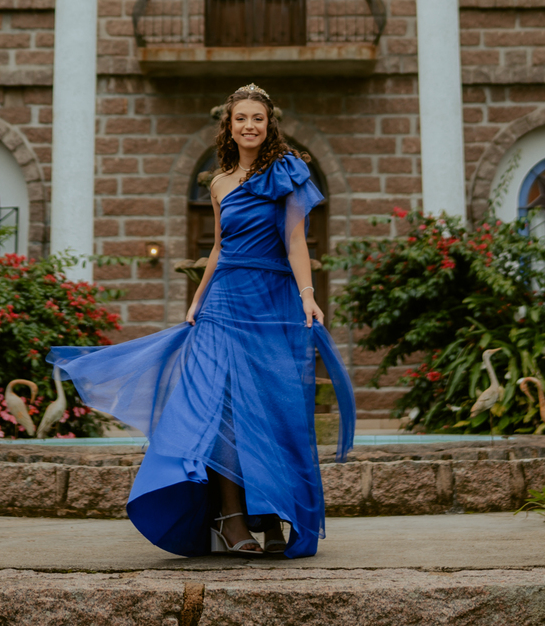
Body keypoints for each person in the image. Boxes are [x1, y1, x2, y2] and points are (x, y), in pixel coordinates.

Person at [48, 83, 355, 559]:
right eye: (241, 119)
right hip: (223, 303)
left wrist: (308, 297)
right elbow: (218, 247)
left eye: (258, 118)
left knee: (273, 409)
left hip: (272, 303)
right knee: (220, 409)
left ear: (269, 123)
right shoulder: (217, 183)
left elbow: (296, 244)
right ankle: (232, 521)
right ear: (228, 127)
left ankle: (273, 516)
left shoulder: (287, 171)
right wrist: (198, 298)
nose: (250, 126)